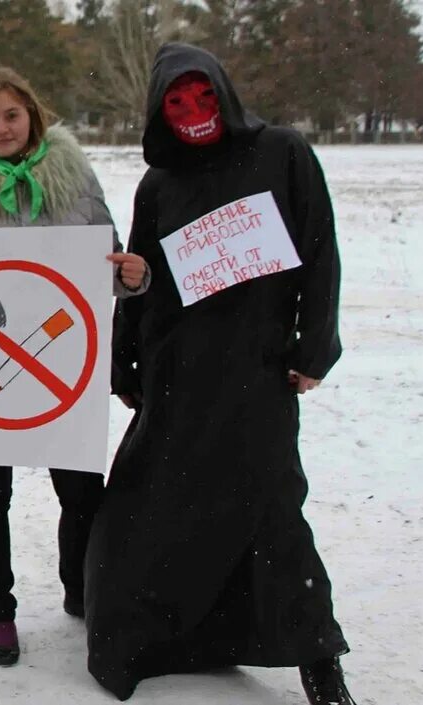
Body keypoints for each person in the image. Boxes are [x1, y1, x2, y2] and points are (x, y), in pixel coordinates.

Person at [83, 43, 355, 704]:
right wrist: (127, 364)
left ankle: (318, 657)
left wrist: (313, 349)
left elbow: (320, 252)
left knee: (271, 512)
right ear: (159, 112)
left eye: (204, 97)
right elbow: (140, 278)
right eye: (177, 102)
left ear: (225, 94)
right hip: (178, 376)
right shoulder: (159, 184)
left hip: (258, 372)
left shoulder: (282, 154)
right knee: (144, 510)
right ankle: (146, 638)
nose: (194, 112)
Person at [0, 66, 149, 666]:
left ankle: (83, 587)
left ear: (32, 116)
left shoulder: (75, 177)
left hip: (65, 368)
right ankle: (0, 612)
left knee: (83, 493)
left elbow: (109, 265)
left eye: (11, 115)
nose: (1, 129)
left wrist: (132, 278)